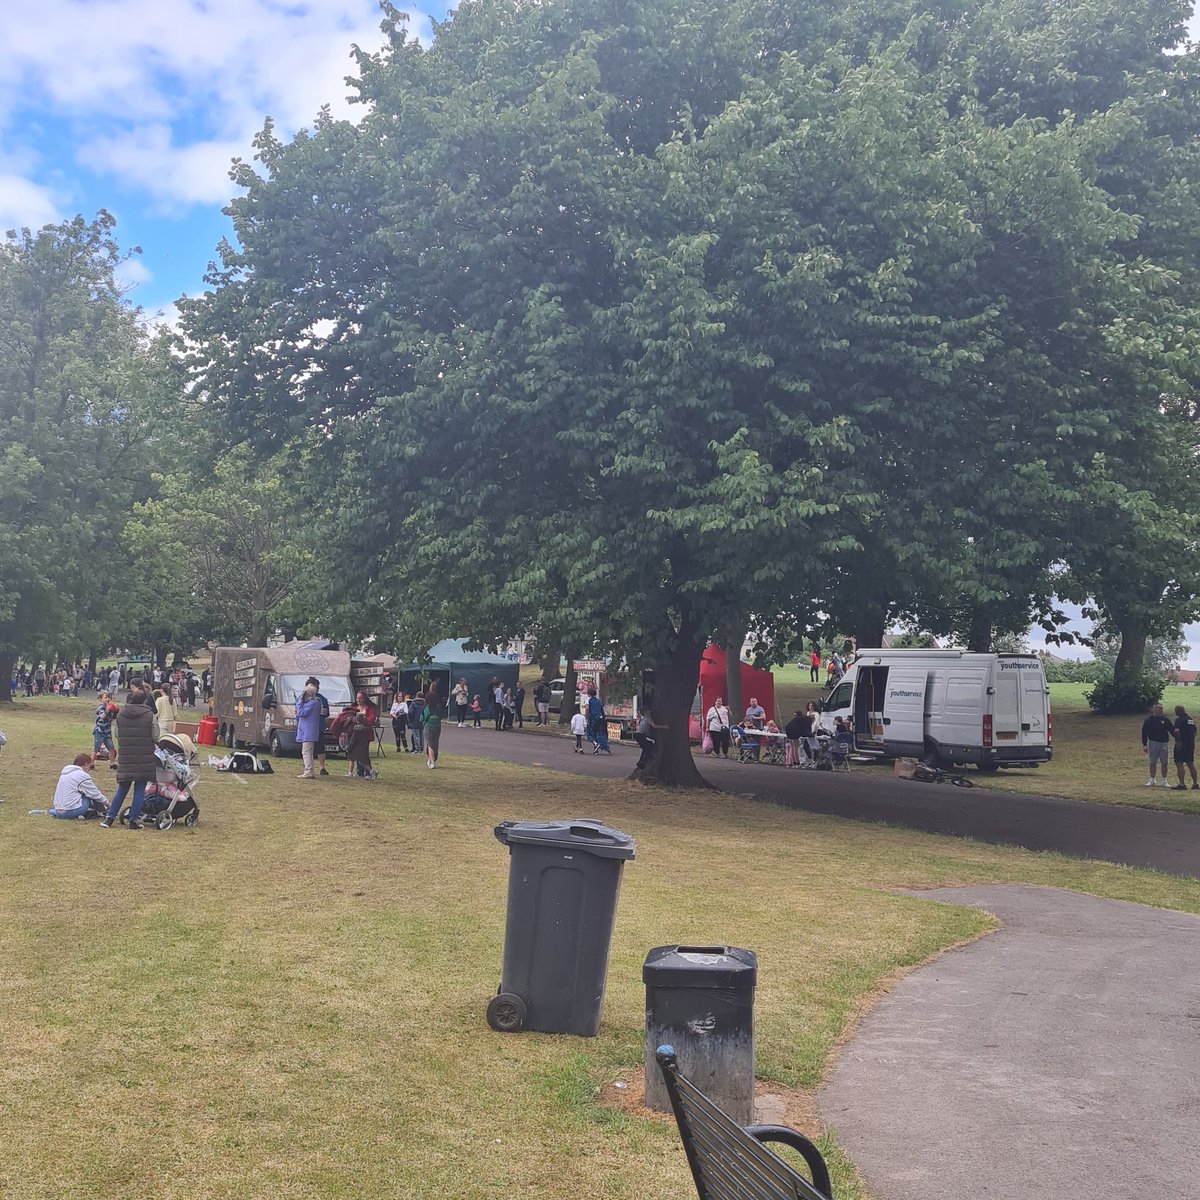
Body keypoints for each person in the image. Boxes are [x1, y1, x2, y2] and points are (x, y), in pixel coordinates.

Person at [100, 689, 159, 829]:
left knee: (122, 788)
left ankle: (109, 817)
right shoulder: (149, 715)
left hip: (126, 755)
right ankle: (133, 820)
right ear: (145, 701)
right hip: (144, 756)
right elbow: (156, 736)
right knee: (139, 789)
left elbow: (117, 734)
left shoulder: (121, 714)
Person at [45, 753, 108, 819]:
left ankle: (50, 812)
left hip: (59, 810)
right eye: (90, 766)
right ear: (86, 764)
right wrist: (107, 803)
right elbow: (95, 794)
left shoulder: (64, 774)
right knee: (89, 793)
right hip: (72, 810)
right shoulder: (82, 776)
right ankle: (103, 811)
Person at [1140, 703, 1175, 787]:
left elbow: (1171, 730)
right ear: (1153, 710)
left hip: (1163, 742)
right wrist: (1145, 744)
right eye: (1156, 709)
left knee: (1164, 762)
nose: (1158, 710)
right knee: (1152, 761)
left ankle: (1164, 780)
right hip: (1152, 742)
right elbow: (1144, 732)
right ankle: (1152, 779)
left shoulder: (1165, 720)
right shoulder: (1148, 720)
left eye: (1160, 709)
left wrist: (1178, 738)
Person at [304, 676, 331, 775]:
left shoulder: (322, 698)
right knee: (307, 748)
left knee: (320, 747)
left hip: (319, 727)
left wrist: (324, 712)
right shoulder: (303, 698)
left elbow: (327, 713)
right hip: (308, 727)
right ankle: (308, 767)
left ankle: (321, 767)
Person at [294, 684, 321, 779]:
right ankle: (308, 769)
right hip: (308, 731)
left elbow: (301, 713)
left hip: (308, 732)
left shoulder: (312, 703)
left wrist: (299, 703)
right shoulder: (314, 703)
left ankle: (309, 771)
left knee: (306, 751)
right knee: (307, 751)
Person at [1172, 705, 1198, 790]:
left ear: (1178, 711)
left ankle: (1182, 784)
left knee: (1179, 763)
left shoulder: (1179, 720)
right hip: (1190, 744)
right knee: (1190, 763)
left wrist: (1178, 741)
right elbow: (1195, 732)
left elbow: (1176, 731)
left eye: (1176, 711)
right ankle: (1195, 784)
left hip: (1181, 744)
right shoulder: (1190, 719)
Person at [346, 714, 375, 778]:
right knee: (362, 762)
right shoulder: (367, 728)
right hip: (364, 747)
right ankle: (371, 771)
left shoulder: (357, 729)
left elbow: (353, 740)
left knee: (352, 759)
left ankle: (350, 773)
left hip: (356, 748)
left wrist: (348, 747)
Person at [93, 692, 118, 764]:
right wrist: (108, 709)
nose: (108, 699)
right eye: (105, 697)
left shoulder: (107, 707)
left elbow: (109, 720)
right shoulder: (101, 707)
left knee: (111, 748)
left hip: (107, 731)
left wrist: (115, 712)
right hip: (100, 731)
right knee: (96, 749)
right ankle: (91, 763)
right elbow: (102, 716)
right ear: (100, 699)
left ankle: (112, 763)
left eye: (108, 697)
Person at [420, 694, 442, 768]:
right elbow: (440, 716)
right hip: (437, 726)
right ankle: (432, 758)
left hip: (428, 726)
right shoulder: (438, 707)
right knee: (435, 743)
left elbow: (423, 717)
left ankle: (432, 762)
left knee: (430, 744)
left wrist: (423, 722)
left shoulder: (427, 707)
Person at [586, 686, 609, 754]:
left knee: (590, 733)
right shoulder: (598, 701)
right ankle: (596, 750)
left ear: (589, 693)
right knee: (598, 733)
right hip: (600, 718)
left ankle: (596, 743)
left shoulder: (588, 699)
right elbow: (601, 710)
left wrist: (586, 717)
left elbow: (587, 708)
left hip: (592, 718)